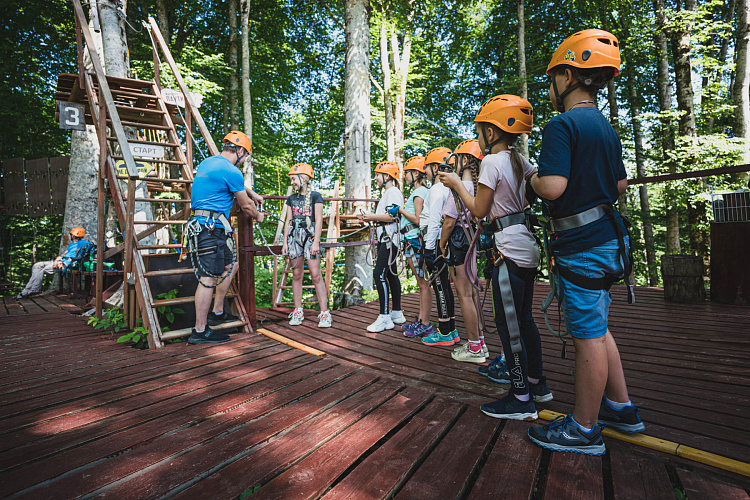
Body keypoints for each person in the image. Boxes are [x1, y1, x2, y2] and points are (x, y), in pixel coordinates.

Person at [526, 30, 644, 455]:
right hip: (609, 239)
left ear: (569, 74)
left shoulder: (562, 125)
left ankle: (584, 428)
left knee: (587, 335)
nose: (553, 84)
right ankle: (621, 407)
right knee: (598, 325)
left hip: (581, 245)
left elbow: (553, 187)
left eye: (555, 75)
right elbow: (620, 184)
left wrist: (531, 179)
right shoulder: (605, 128)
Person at [441, 95, 553, 421]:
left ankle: (521, 397)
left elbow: (479, 210)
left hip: (508, 251)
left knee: (508, 326)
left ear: (491, 133)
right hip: (527, 247)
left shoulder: (491, 162)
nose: (478, 138)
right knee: (525, 319)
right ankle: (537, 382)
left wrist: (456, 185)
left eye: (480, 132)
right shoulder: (520, 160)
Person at [187, 130, 264, 345]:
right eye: (245, 156)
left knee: (231, 265)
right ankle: (199, 331)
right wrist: (259, 216)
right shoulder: (231, 171)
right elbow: (246, 206)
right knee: (208, 278)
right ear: (240, 151)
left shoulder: (208, 163)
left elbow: (230, 181)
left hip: (209, 227)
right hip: (208, 229)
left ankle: (218, 311)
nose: (244, 161)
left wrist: (252, 193)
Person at [439, 139, 487, 363]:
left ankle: (475, 348)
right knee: (473, 293)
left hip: (458, 242)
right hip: (471, 242)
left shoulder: (459, 188)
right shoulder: (477, 188)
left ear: (465, 160)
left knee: (465, 295)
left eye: (457, 159)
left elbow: (449, 223)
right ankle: (480, 342)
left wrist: (441, 243)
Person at [281, 162, 332, 328]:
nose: (292, 182)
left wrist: (316, 241)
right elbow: (288, 221)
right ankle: (297, 309)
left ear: (303, 178)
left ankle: (324, 313)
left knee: (316, 275)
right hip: (294, 237)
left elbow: (318, 221)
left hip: (310, 237)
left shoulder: (316, 196)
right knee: (296, 275)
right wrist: (285, 243)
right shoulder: (291, 199)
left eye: (294, 179)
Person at [358, 161, 406, 332]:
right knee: (391, 274)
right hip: (388, 237)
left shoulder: (392, 191)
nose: (375, 178)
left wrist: (370, 217)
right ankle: (397, 312)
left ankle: (385, 317)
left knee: (379, 274)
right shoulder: (390, 192)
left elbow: (391, 216)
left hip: (389, 238)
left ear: (387, 176)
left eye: (378, 174)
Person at [419, 147, 459, 347]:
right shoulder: (449, 189)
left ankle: (444, 332)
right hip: (442, 243)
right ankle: (451, 328)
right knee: (445, 285)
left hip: (433, 242)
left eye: (426, 168)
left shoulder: (436, 190)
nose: (425, 172)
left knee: (440, 286)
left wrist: (428, 250)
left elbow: (434, 222)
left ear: (436, 167)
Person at [397, 155, 435, 338]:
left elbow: (418, 220)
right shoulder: (419, 192)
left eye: (407, 173)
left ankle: (425, 323)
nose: (405, 176)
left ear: (416, 174)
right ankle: (421, 320)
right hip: (412, 241)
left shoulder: (419, 193)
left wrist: (400, 210)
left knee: (423, 284)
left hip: (415, 242)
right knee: (422, 283)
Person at [14, 227, 92, 299]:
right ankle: (26, 291)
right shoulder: (72, 245)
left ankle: (34, 289)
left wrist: (60, 262)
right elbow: (64, 253)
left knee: (42, 270)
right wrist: (56, 260)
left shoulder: (85, 244)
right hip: (61, 261)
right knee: (36, 265)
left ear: (73, 236)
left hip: (67, 264)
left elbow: (81, 254)